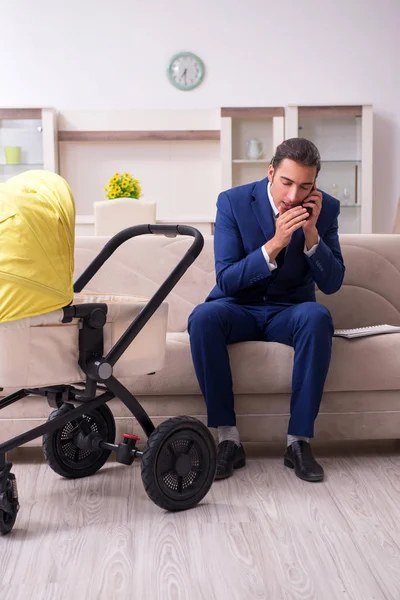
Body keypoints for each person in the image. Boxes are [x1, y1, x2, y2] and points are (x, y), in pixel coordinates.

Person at [188, 138, 345, 482]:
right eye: (287, 183)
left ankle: (298, 443)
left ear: (314, 185)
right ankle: (228, 440)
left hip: (289, 311)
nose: (293, 196)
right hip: (237, 307)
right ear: (271, 172)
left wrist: (311, 234)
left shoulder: (326, 209)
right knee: (202, 318)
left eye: (305, 186)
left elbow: (332, 283)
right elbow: (227, 279)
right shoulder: (233, 202)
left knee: (318, 317)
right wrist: (274, 245)